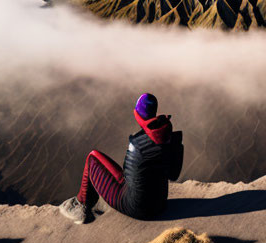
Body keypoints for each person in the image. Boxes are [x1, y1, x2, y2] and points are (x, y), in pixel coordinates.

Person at [59, 93, 183, 224]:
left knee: (93, 157)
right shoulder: (170, 136)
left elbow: (128, 177)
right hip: (160, 205)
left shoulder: (137, 143)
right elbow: (174, 174)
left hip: (136, 208)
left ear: (138, 114)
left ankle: (80, 205)